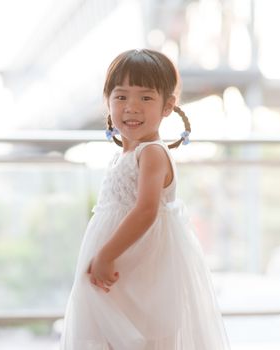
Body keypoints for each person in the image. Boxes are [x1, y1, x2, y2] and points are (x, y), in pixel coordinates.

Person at [60, 48, 230, 349]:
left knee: (143, 336)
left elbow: (146, 210)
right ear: (108, 102)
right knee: (106, 334)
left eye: (146, 98)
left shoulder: (152, 153)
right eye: (122, 97)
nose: (132, 107)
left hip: (139, 263)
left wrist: (106, 255)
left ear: (167, 106)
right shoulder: (122, 154)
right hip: (121, 263)